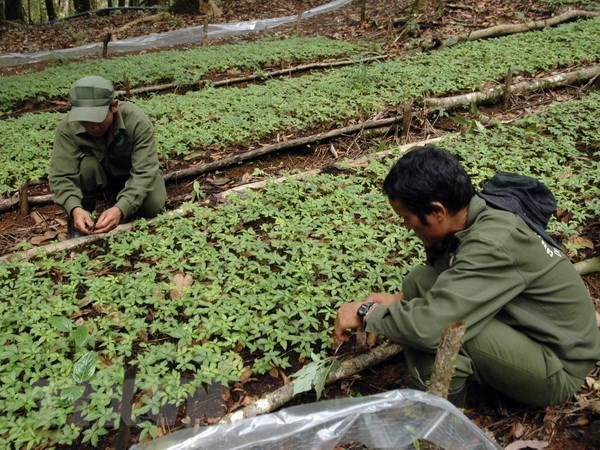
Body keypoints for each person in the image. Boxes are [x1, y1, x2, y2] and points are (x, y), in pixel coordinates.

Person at [333, 145, 600, 407]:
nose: (405, 226)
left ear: (437, 211)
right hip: (536, 333)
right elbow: (449, 281)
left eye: (406, 218)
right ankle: (461, 377)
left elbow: (429, 329)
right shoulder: (479, 212)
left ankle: (443, 409)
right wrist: (396, 301)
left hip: (558, 368)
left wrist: (365, 313)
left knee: (434, 335)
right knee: (419, 281)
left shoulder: (493, 241)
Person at [49, 75, 166, 238]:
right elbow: (61, 176)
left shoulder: (136, 121)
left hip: (131, 174)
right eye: (85, 121)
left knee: (153, 205)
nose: (93, 127)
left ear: (114, 106)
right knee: (87, 166)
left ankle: (125, 209)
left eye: (98, 119)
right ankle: (84, 218)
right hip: (101, 177)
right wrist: (74, 208)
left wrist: (122, 208)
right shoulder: (67, 128)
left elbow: (145, 171)